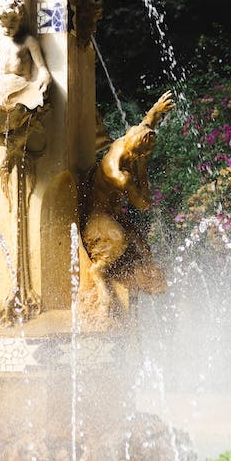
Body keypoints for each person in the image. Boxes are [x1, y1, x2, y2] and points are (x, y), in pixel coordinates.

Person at [81, 91, 174, 313]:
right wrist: (142, 172)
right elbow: (143, 204)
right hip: (97, 217)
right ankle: (99, 276)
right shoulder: (120, 175)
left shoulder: (127, 140)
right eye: (145, 155)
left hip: (113, 214)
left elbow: (145, 125)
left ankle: (139, 283)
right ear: (138, 155)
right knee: (119, 240)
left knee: (143, 248)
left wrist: (156, 111)